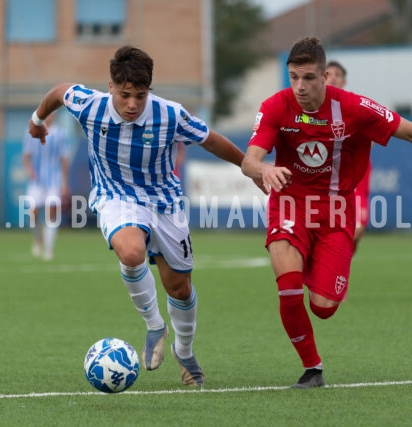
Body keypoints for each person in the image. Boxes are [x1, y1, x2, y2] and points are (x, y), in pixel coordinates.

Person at [241, 37, 412, 388]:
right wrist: (264, 169)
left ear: (326, 77)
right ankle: (312, 368)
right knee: (288, 289)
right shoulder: (275, 106)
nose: (299, 86)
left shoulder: (354, 108)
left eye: (309, 78)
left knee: (323, 307)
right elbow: (249, 160)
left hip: (336, 212)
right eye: (294, 77)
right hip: (290, 205)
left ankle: (317, 262)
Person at [28, 45, 265, 387]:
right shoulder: (89, 104)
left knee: (180, 288)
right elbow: (58, 93)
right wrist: (37, 122)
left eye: (140, 95)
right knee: (131, 251)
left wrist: (248, 167)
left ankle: (184, 350)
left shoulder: (170, 114)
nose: (132, 104)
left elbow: (210, 140)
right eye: (125, 95)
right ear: (110, 87)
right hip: (115, 197)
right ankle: (155, 325)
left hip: (165, 203)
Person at [325, 60, 371, 251]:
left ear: (344, 81)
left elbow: (374, 133)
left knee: (356, 231)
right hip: (325, 183)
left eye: (338, 75)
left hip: (354, 181)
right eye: (328, 74)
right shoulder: (313, 111)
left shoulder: (353, 106)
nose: (333, 78)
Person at [22, 113, 70, 261]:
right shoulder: (32, 131)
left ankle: (48, 248)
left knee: (51, 214)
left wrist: (64, 184)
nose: (51, 116)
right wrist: (30, 170)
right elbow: (26, 156)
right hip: (36, 182)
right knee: (33, 214)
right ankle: (38, 238)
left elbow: (64, 159)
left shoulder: (60, 134)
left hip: (53, 181)